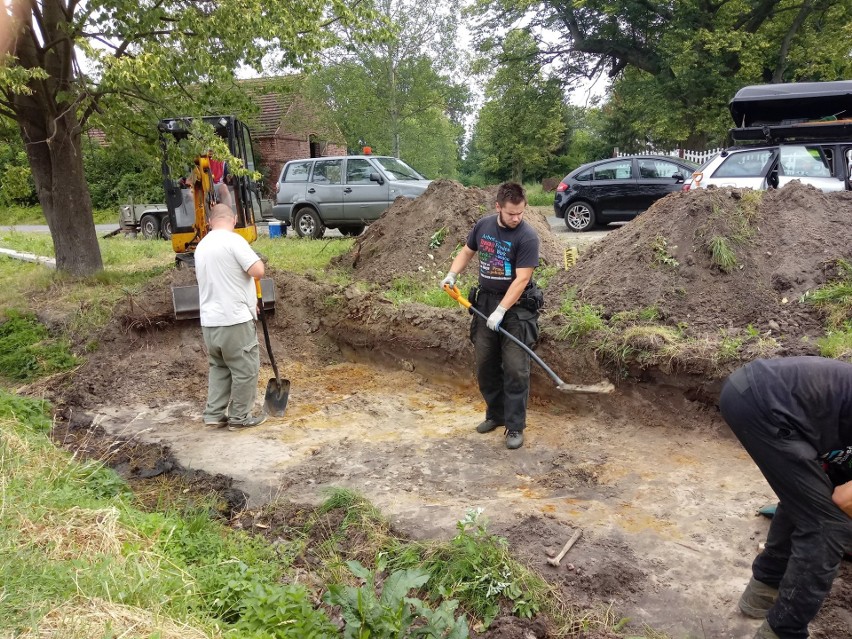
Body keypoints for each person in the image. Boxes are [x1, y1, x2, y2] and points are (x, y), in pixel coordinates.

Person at [719, 356, 852, 639]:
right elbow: (844, 500)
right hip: (767, 404)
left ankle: (762, 592)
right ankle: (784, 632)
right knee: (828, 525)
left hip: (759, 391)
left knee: (809, 499)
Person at [439, 182, 541, 450]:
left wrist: (502, 310)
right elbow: (467, 251)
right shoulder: (483, 226)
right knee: (485, 365)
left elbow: (522, 280)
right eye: (511, 213)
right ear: (498, 207)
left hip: (516, 310)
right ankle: (496, 414)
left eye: (520, 213)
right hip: (484, 303)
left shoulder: (527, 237)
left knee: (516, 369)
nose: (516, 218)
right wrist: (452, 274)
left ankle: (515, 426)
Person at [195, 203, 267, 431]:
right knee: (245, 369)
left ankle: (214, 414)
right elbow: (258, 271)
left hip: (210, 322)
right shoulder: (233, 240)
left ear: (209, 222)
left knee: (219, 366)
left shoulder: (202, 246)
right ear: (234, 219)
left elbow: (224, 279)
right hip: (234, 321)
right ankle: (239, 417)